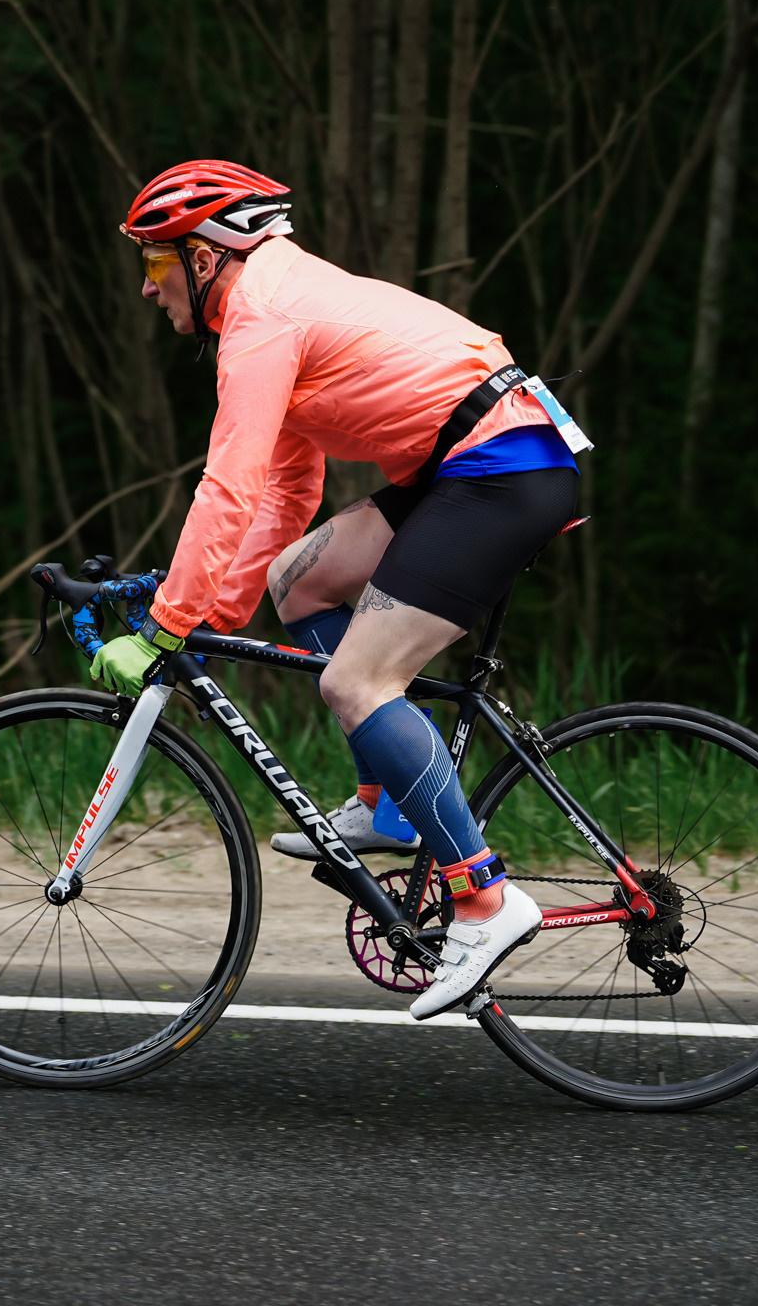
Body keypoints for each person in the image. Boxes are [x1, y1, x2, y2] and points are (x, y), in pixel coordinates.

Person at [87, 159, 585, 1020]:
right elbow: (285, 493)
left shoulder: (263, 318)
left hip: (501, 469)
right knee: (301, 581)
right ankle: (391, 804)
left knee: (355, 680)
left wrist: (167, 624)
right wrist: (211, 613)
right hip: (470, 462)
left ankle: (484, 900)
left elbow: (228, 487)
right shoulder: (272, 303)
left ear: (206, 258)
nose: (146, 287)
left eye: (156, 263)